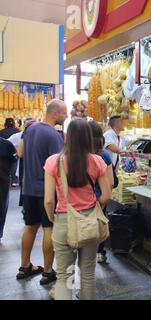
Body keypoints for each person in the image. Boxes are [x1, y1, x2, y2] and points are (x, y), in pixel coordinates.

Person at [44, 119, 111, 300]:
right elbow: (106, 194)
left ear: (68, 137)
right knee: (88, 273)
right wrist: (97, 207)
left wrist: (53, 217)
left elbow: (49, 200)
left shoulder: (53, 161)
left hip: (64, 220)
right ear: (88, 138)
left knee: (64, 275)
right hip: (89, 220)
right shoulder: (97, 161)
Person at [17, 100, 67, 285]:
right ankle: (47, 272)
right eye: (64, 113)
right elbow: (60, 166)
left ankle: (25, 266)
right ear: (55, 114)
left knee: (30, 226)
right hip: (46, 190)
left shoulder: (30, 128)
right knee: (49, 228)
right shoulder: (54, 136)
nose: (66, 116)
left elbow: (19, 152)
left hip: (28, 188)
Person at [88, 121, 114, 263]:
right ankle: (100, 252)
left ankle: (85, 252)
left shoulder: (77, 155)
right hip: (99, 199)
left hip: (82, 201)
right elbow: (110, 182)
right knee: (100, 227)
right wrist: (103, 201)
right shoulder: (103, 155)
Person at [0, 137, 17, 242]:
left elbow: (13, 160)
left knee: (2, 206)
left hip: (2, 180)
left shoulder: (6, 144)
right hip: (4, 178)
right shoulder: (6, 144)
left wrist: (9, 174)